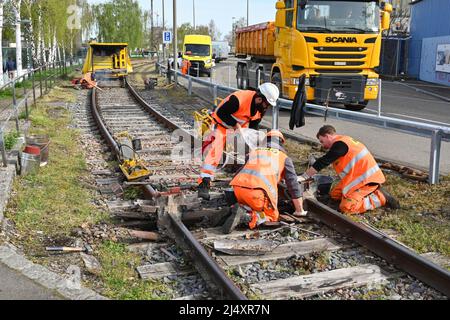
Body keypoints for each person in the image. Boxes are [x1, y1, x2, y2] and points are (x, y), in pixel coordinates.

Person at [197, 83, 280, 200]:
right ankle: (204, 183)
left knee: (250, 153)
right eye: (267, 104)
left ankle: (246, 182)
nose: (267, 107)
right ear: (260, 98)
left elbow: (253, 126)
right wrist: (235, 125)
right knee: (215, 151)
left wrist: (251, 141)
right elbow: (221, 112)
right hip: (221, 124)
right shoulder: (238, 99)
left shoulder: (260, 109)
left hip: (240, 130)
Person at [299, 125, 399, 215]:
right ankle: (362, 194)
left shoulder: (340, 145)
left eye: (322, 141)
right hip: (356, 178)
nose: (322, 145)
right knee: (334, 196)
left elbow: (323, 161)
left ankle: (381, 197)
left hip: (367, 180)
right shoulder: (344, 141)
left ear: (328, 136)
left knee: (346, 207)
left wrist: (304, 176)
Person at [223, 130, 306, 233]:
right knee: (272, 216)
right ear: (281, 143)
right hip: (257, 194)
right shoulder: (284, 158)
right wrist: (299, 210)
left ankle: (232, 210)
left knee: (250, 204)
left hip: (238, 190)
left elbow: (239, 172)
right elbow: (293, 185)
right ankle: (247, 217)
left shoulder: (253, 152)